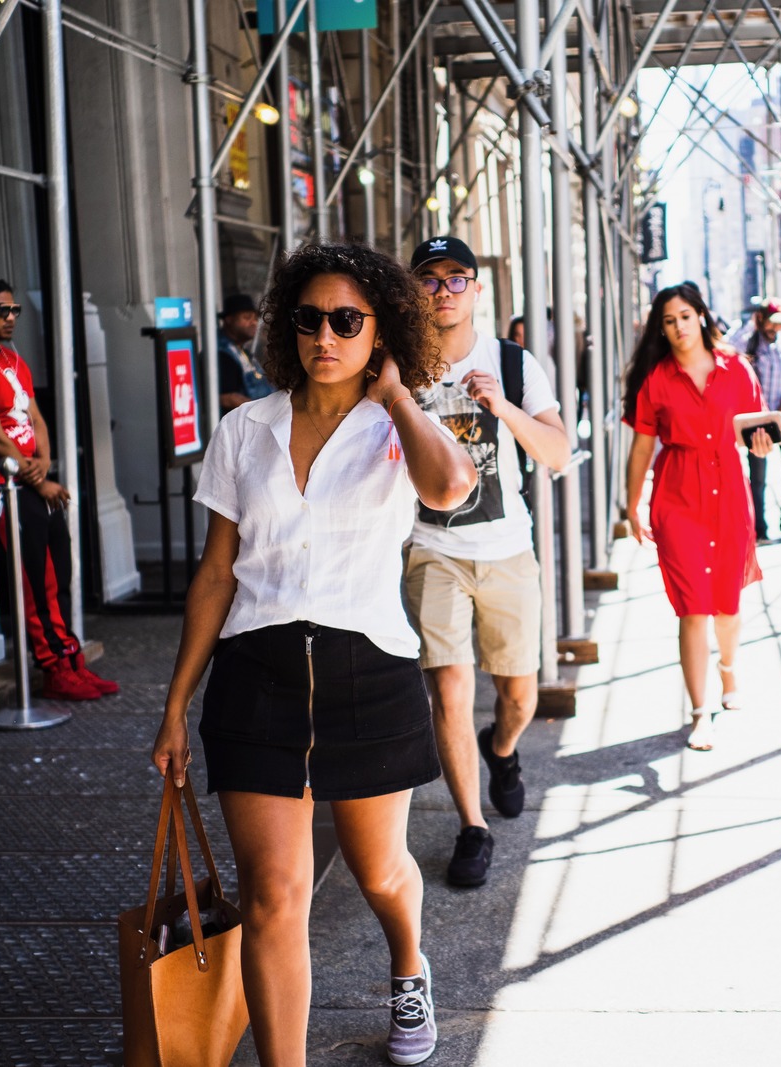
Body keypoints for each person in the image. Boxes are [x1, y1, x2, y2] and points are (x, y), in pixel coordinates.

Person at [151, 244, 475, 1067]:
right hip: (255, 677)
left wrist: (396, 395)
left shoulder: (397, 427)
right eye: (309, 318)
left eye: (346, 321)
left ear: (381, 330)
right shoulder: (243, 430)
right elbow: (216, 573)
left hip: (367, 672)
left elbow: (449, 487)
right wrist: (176, 705)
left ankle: (409, 966)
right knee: (272, 896)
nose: (325, 336)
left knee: (380, 870)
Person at [403, 236, 570, 888]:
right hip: (433, 548)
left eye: (455, 279)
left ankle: (500, 748)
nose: (442, 291)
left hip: (506, 549)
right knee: (449, 687)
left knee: (519, 696)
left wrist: (502, 407)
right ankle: (472, 826)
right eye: (429, 279)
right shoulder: (398, 365)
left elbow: (556, 452)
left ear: (476, 289)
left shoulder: (514, 363)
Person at [623, 282, 774, 752]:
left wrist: (761, 444)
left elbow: (755, 429)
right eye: (668, 321)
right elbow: (642, 446)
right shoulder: (656, 379)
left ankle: (729, 670)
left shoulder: (737, 368)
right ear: (661, 328)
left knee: (727, 605)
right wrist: (631, 504)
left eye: (685, 317)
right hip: (677, 496)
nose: (678, 327)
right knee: (692, 608)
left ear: (701, 316)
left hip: (729, 492)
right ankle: (699, 713)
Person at [0, 277, 116, 702]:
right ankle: (55, 669)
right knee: (35, 582)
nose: (11, 318)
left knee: (58, 574)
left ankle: (70, 660)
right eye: (1, 311)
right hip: (2, 488)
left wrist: (44, 460)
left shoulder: (12, 359)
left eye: (15, 310)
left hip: (31, 482)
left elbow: (37, 418)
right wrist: (39, 479)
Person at [726, 297, 781, 540]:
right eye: (772, 322)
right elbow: (727, 348)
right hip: (758, 422)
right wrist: (751, 325)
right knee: (759, 477)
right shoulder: (749, 342)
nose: (775, 329)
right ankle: (759, 529)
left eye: (780, 324)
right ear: (761, 318)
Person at [217, 293, 273, 413]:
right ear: (229, 320)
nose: (254, 322)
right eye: (247, 317)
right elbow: (227, 399)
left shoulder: (241, 351)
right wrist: (264, 412)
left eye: (255, 318)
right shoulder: (221, 354)